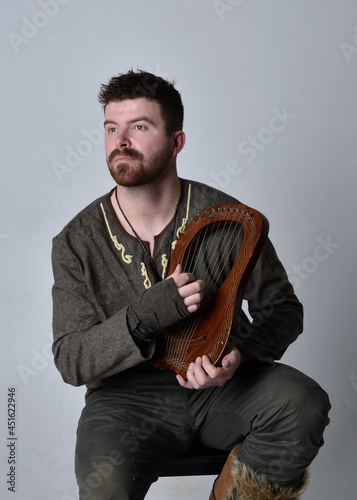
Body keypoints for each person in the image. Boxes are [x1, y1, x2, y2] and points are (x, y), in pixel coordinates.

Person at [51, 70, 330, 500]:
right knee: (103, 485)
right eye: (112, 128)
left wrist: (240, 356)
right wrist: (143, 316)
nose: (120, 140)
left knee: (302, 403)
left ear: (176, 142)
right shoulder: (75, 241)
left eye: (139, 127)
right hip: (125, 402)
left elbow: (284, 309)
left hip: (223, 390)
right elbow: (71, 360)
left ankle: (232, 491)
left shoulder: (228, 217)